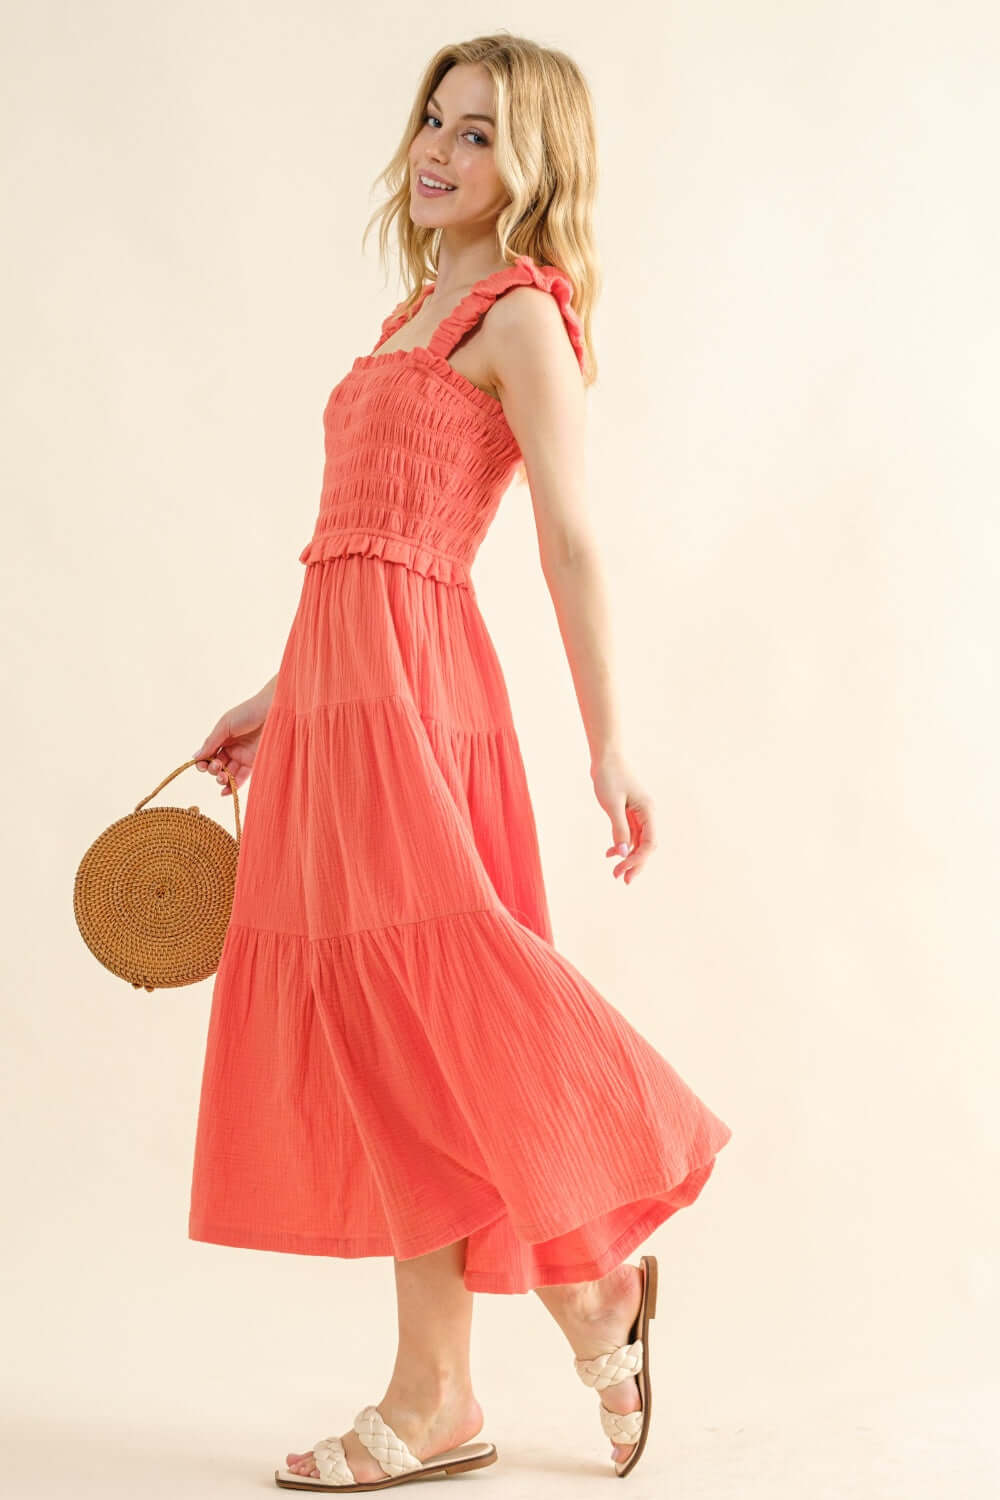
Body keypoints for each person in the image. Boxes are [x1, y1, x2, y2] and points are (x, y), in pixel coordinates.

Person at [188, 34, 733, 1490]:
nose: (440, 149)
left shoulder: (519, 317)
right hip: (338, 694)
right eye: (436, 119)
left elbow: (568, 539)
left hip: (420, 695)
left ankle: (572, 1286)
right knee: (384, 1043)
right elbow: (353, 543)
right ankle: (455, 1382)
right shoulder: (404, 316)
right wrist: (276, 693)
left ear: (536, 163)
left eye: (481, 134)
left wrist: (611, 739)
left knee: (449, 1000)